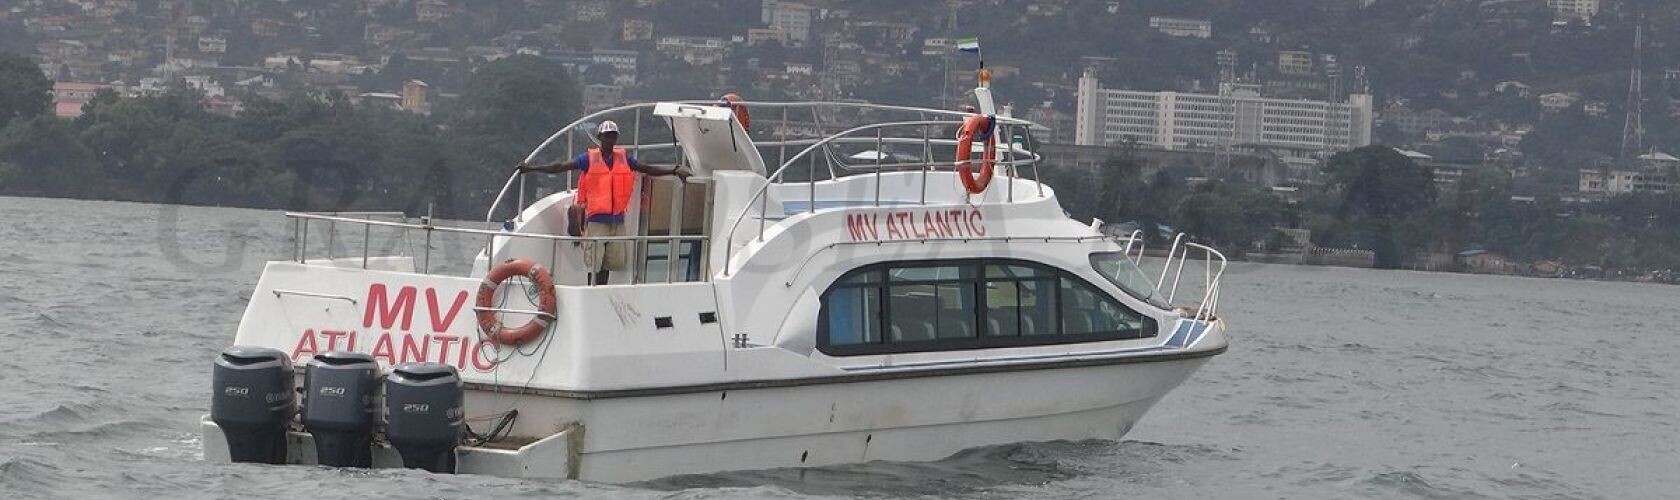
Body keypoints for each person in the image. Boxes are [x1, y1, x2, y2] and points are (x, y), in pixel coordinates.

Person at [517, 120, 688, 285]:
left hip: (617, 221)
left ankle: (602, 291)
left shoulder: (624, 159)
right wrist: (532, 168)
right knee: (594, 264)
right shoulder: (588, 159)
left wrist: (674, 170)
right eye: (607, 136)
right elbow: (561, 166)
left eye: (613, 136)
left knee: (610, 263)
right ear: (600, 137)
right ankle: (592, 291)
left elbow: (647, 169)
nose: (610, 140)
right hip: (597, 221)